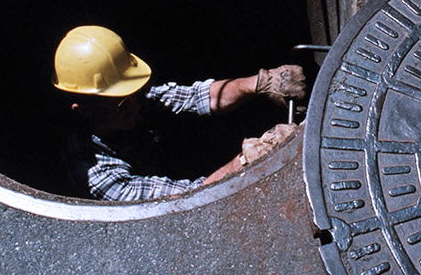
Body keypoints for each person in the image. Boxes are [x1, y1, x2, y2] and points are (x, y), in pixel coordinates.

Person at [52, 25, 306, 201]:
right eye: (123, 105)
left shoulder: (120, 99)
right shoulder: (99, 178)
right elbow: (185, 200)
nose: (137, 106)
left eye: (136, 94)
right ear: (84, 111)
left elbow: (194, 97)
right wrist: (247, 161)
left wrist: (261, 82)